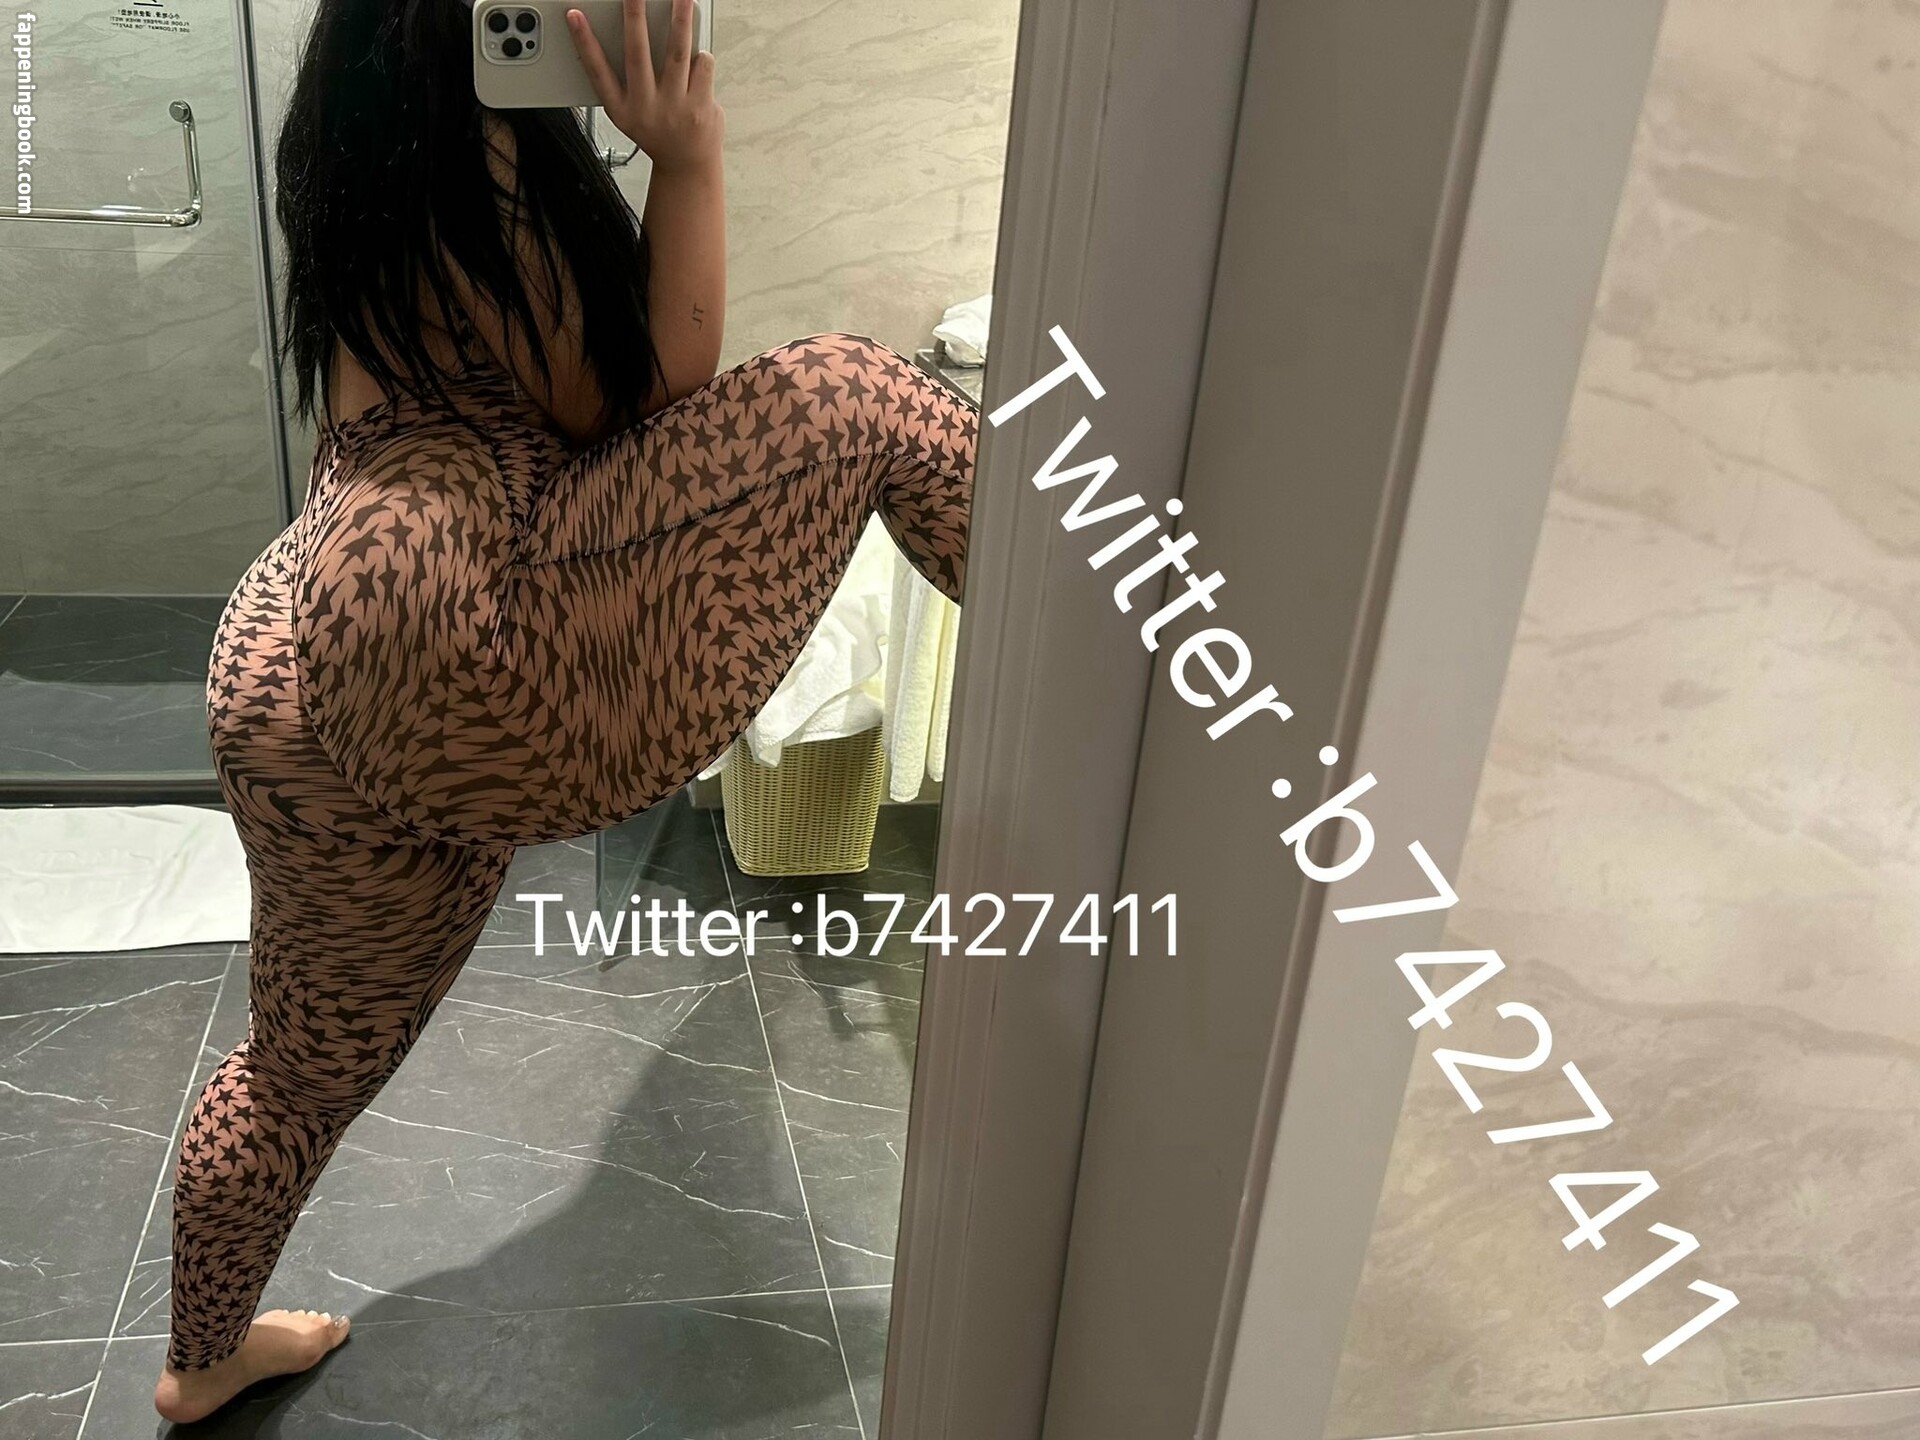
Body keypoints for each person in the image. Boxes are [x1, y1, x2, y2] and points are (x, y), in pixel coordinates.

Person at [154, 0, 975, 1421]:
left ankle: (201, 1357)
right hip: (450, 638)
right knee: (862, 400)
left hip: (296, 643)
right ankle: (1120, 661)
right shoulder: (474, 152)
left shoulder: (356, 137)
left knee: (292, 1075)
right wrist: (689, 155)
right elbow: (642, 396)